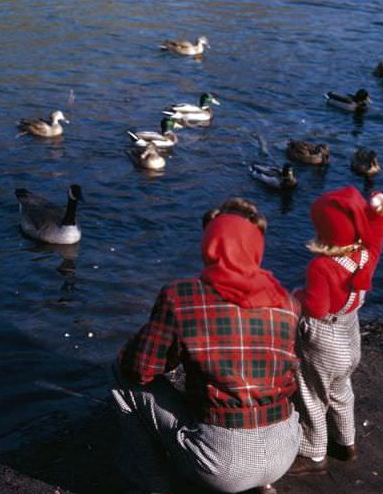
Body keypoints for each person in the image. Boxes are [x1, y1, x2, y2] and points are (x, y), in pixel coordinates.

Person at [111, 198, 302, 494]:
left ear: (210, 246)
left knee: (122, 378)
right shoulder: (287, 302)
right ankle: (262, 483)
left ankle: (153, 483)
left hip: (223, 464)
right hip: (284, 448)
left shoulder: (183, 297)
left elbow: (139, 369)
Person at [287, 186, 383, 476]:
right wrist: (379, 214)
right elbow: (378, 236)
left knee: (312, 395)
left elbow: (317, 309)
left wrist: (296, 296)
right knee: (341, 391)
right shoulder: (365, 255)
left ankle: (313, 453)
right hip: (349, 336)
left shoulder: (321, 267)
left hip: (323, 342)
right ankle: (347, 444)